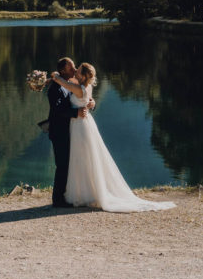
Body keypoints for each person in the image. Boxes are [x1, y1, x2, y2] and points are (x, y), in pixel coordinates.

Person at [52, 63, 176, 213]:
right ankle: (87, 192)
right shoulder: (86, 87)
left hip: (79, 126)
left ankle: (81, 193)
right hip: (83, 124)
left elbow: (62, 82)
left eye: (77, 70)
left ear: (83, 76)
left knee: (81, 157)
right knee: (84, 158)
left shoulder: (77, 88)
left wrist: (53, 76)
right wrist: (91, 102)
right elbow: (84, 97)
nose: (75, 71)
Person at [46, 57, 94, 208]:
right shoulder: (55, 88)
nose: (74, 71)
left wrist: (92, 103)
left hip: (73, 130)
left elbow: (85, 96)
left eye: (75, 68)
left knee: (72, 162)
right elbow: (58, 110)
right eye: (71, 68)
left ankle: (70, 194)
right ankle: (58, 199)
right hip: (60, 131)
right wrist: (76, 112)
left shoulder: (70, 84)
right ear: (63, 71)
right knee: (62, 164)